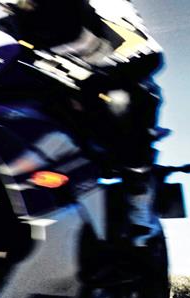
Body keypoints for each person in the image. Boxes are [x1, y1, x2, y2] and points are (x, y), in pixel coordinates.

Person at [10, 0, 165, 258]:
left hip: (98, 95)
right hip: (41, 92)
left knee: (123, 100)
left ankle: (138, 198)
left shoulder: (106, 3)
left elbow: (142, 49)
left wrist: (96, 76)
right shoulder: (9, 3)